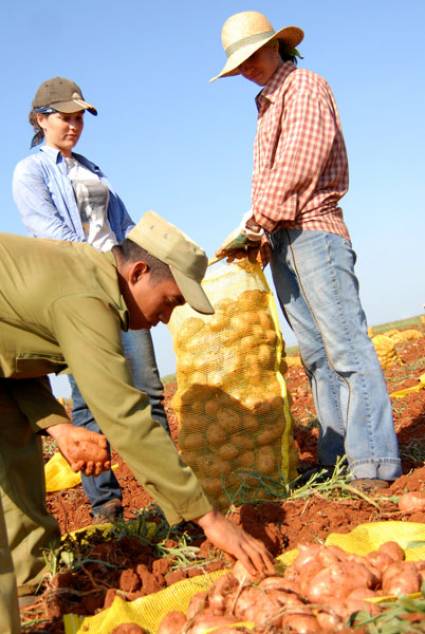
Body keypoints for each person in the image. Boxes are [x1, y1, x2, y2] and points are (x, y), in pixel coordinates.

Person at [0, 210, 274, 634]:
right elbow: (125, 416)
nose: (167, 318)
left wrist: (58, 425)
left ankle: (28, 586)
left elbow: (12, 355)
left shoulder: (84, 279)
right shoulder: (86, 299)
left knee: (12, 439)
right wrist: (209, 518)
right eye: (171, 300)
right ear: (139, 272)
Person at [212, 11, 401, 490]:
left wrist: (256, 221)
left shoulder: (304, 87)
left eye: (252, 56)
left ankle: (373, 463)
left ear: (276, 46)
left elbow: (299, 163)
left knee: (346, 348)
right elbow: (276, 177)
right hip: (283, 239)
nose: (248, 68)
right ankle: (337, 457)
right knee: (316, 355)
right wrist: (257, 230)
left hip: (314, 234)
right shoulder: (267, 102)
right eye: (240, 64)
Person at [13, 76, 169, 523]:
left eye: (80, 117)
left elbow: (125, 229)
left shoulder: (92, 169)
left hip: (123, 290)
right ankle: (106, 502)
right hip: (80, 294)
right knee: (89, 399)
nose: (75, 125)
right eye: (66, 117)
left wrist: (150, 266)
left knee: (148, 391)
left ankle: (167, 495)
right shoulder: (32, 171)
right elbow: (51, 234)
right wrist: (99, 269)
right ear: (41, 119)